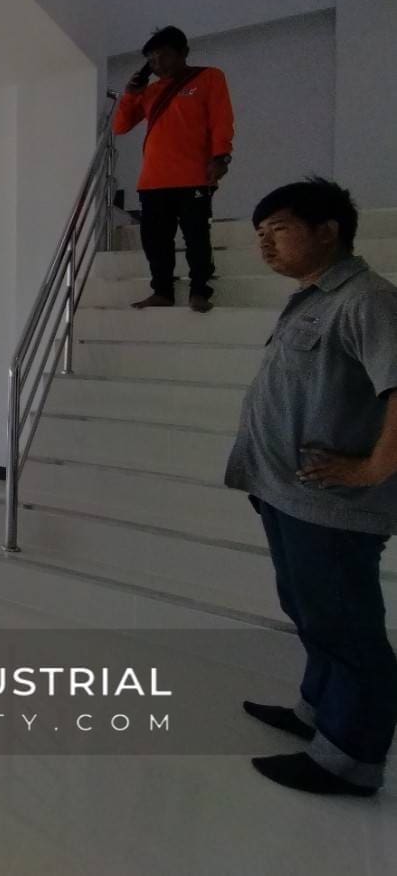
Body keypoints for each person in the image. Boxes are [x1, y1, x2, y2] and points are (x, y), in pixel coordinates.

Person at [224, 178, 397, 796]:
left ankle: (349, 761)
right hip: (286, 494)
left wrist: (373, 469)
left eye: (280, 230)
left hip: (331, 507)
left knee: (347, 629)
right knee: (311, 613)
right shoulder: (314, 298)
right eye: (260, 235)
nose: (266, 245)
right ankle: (317, 712)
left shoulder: (368, 300)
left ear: (329, 232)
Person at [112, 26, 235, 313]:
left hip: (194, 176)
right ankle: (162, 291)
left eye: (163, 55)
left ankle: (199, 290)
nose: (157, 64)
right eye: (151, 59)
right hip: (152, 181)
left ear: (183, 53)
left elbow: (221, 119)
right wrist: (131, 94)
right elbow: (120, 126)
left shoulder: (209, 77)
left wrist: (221, 157)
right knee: (155, 241)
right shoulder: (150, 91)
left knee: (196, 237)